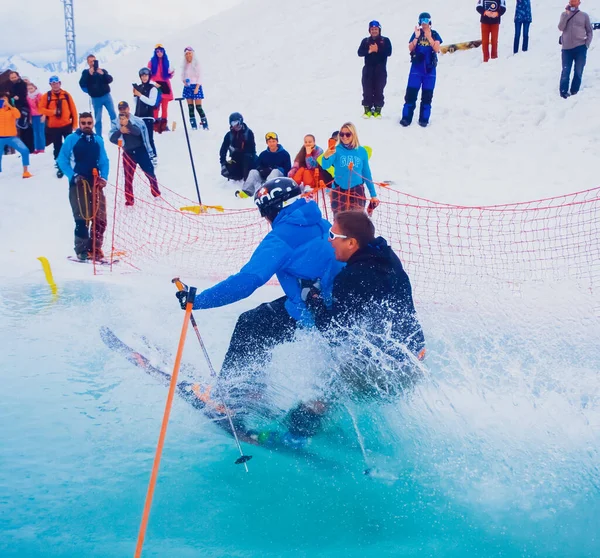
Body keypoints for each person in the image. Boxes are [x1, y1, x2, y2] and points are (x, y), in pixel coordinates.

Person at [175, 176, 344, 409]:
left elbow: (247, 282)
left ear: (273, 209)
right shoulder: (320, 222)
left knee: (250, 325)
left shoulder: (281, 237)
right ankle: (252, 387)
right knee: (262, 320)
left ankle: (236, 395)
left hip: (313, 310)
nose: (265, 219)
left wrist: (198, 300)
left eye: (264, 213)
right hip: (334, 304)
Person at [286, 212, 426, 440]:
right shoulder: (387, 257)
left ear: (352, 243)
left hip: (389, 372)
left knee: (325, 385)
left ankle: (293, 437)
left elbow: (334, 333)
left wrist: (313, 297)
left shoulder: (352, 277)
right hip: (415, 362)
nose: (329, 240)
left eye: (333, 235)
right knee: (350, 367)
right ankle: (330, 425)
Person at [57, 112, 110, 261]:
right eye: (83, 123)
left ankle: (95, 248)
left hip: (95, 183)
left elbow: (104, 160)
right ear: (79, 124)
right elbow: (62, 160)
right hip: (78, 184)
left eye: (89, 123)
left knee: (100, 218)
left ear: (93, 124)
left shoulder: (97, 140)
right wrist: (73, 176)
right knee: (82, 218)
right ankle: (82, 250)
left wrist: (104, 178)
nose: (86, 125)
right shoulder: (71, 139)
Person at [321, 122, 378, 215]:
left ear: (353, 135)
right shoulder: (336, 150)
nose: (344, 137)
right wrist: (326, 156)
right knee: (339, 219)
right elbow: (325, 165)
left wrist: (373, 194)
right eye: (342, 134)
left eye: (348, 134)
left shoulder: (362, 151)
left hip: (357, 190)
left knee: (357, 219)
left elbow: (366, 173)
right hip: (339, 189)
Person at [110, 102, 160, 205]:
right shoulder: (115, 123)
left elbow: (138, 132)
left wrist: (128, 124)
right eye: (120, 109)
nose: (123, 110)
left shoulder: (137, 120)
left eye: (125, 108)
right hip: (128, 152)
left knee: (149, 172)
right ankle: (129, 199)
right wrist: (120, 131)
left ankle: (156, 193)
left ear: (129, 108)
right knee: (128, 177)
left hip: (140, 150)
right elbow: (112, 138)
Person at [400, 12, 442, 128]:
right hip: (416, 69)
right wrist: (417, 37)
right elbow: (410, 48)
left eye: (426, 20)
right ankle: (406, 118)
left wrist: (429, 36)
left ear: (430, 22)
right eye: (422, 20)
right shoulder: (416, 34)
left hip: (429, 70)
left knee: (427, 96)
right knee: (410, 95)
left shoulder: (434, 34)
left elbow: (437, 48)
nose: (424, 23)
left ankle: (424, 119)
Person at [38, 76, 78, 178]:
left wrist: (75, 124)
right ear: (50, 85)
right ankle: (60, 166)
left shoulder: (66, 95)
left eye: (56, 83)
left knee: (70, 144)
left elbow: (73, 109)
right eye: (53, 83)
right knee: (57, 146)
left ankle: (73, 163)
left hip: (66, 125)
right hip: (54, 127)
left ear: (60, 83)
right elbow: (41, 109)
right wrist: (52, 112)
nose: (55, 85)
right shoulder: (46, 96)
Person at [235, 132, 292, 198]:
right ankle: (246, 192)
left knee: (275, 171)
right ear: (267, 143)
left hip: (278, 179)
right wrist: (261, 169)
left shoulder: (284, 154)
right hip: (265, 178)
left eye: (273, 141)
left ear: (277, 142)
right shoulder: (263, 154)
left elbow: (288, 169)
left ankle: (267, 191)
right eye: (269, 142)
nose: (272, 143)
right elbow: (257, 165)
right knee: (253, 172)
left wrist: (276, 168)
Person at [357, 20, 393, 119]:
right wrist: (369, 51)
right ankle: (367, 110)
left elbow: (389, 52)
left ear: (379, 30)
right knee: (367, 89)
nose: (374, 31)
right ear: (369, 30)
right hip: (368, 69)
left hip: (380, 69)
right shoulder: (366, 41)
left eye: (376, 29)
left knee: (379, 89)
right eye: (372, 29)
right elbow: (359, 52)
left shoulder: (385, 40)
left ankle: (377, 110)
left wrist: (378, 50)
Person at [558, 0, 593, 99]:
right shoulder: (564, 14)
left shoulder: (584, 16)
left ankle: (574, 91)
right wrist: (566, 14)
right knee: (566, 71)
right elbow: (560, 27)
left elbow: (589, 31)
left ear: (578, 3)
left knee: (578, 70)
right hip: (566, 49)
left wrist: (587, 44)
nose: (573, 3)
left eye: (575, 1)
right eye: (572, 1)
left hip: (580, 47)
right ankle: (563, 92)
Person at [78, 54, 116, 137]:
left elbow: (110, 79)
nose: (92, 63)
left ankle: (115, 132)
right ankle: (99, 136)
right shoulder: (85, 72)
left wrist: (103, 74)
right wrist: (89, 74)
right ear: (88, 63)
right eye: (90, 61)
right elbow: (82, 84)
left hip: (106, 96)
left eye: (93, 61)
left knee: (113, 114)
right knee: (98, 119)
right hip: (96, 99)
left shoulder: (102, 71)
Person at [0, 92, 32, 178]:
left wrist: (10, 106)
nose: (2, 101)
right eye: (1, 99)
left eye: (4, 99)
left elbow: (18, 115)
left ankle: (25, 171)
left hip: (12, 137)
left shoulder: (12, 110)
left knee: (25, 150)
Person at [133, 68, 161, 165]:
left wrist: (140, 95)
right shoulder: (139, 87)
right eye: (142, 76)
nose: (144, 77)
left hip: (148, 117)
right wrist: (135, 95)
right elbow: (136, 102)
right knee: (139, 138)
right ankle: (143, 157)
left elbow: (152, 102)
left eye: (146, 75)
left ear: (149, 76)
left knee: (148, 138)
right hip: (138, 116)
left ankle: (153, 157)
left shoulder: (152, 88)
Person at [219, 112, 257, 182]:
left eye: (237, 122)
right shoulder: (229, 135)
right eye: (233, 123)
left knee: (248, 169)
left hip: (248, 158)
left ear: (241, 121)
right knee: (227, 171)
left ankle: (247, 176)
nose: (236, 126)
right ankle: (238, 175)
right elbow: (223, 149)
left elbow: (252, 150)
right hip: (236, 159)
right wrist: (223, 163)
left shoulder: (248, 133)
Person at [148, 44, 174, 133]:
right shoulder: (151, 62)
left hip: (165, 85)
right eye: (157, 51)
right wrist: (154, 83)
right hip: (156, 85)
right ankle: (155, 125)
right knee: (156, 106)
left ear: (163, 51)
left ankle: (163, 125)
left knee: (164, 106)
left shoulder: (166, 61)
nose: (159, 53)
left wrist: (171, 73)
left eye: (161, 51)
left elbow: (169, 75)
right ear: (155, 52)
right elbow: (148, 75)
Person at [181, 46, 208, 131]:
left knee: (198, 107)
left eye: (190, 53)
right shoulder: (185, 65)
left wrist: (197, 87)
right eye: (187, 54)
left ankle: (205, 125)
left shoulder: (197, 64)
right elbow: (182, 76)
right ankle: (193, 126)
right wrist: (184, 81)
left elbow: (200, 76)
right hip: (188, 87)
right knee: (190, 107)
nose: (188, 55)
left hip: (196, 86)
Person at [8, 71, 34, 153]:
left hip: (24, 108)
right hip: (17, 109)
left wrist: (14, 96)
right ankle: (25, 149)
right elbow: (10, 94)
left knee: (26, 128)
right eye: (12, 78)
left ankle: (30, 149)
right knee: (21, 129)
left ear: (18, 76)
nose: (13, 79)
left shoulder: (23, 84)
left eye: (14, 77)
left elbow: (22, 96)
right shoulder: (11, 85)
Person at [26, 82, 45, 154]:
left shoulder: (39, 95)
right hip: (33, 116)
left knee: (41, 132)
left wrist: (44, 115)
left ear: (35, 88)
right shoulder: (28, 97)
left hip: (40, 115)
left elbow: (44, 105)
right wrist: (30, 117)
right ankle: (37, 148)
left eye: (31, 88)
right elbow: (29, 108)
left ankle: (42, 148)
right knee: (35, 132)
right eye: (28, 89)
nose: (30, 90)